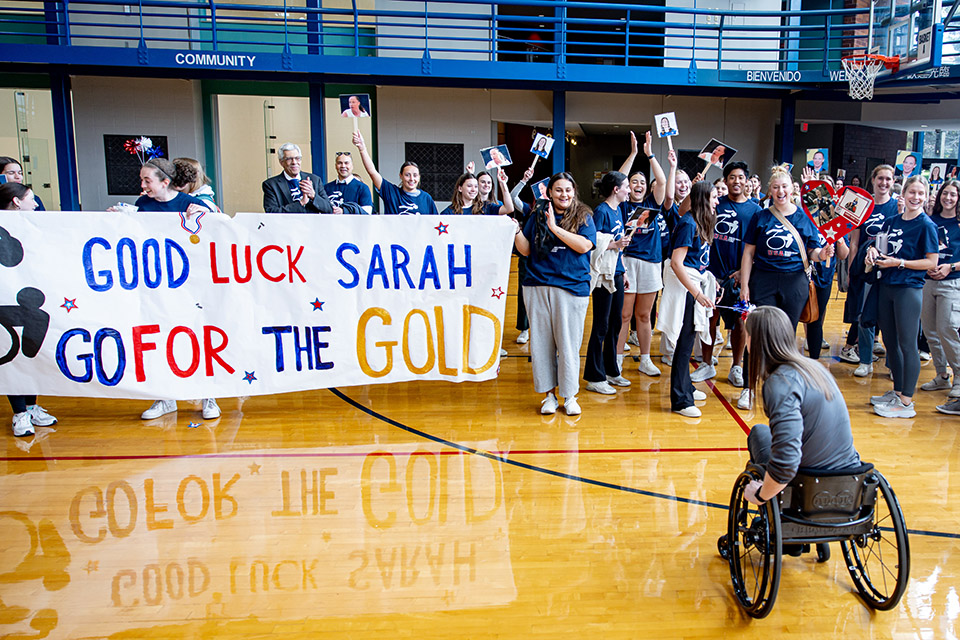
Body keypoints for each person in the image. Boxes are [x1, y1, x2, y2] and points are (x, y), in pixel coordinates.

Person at [739, 306, 861, 509]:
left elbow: (786, 461)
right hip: (849, 477)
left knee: (759, 433)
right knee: (765, 432)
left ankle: (778, 511)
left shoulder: (780, 383)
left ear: (754, 340)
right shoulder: (812, 368)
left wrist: (760, 495)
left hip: (812, 484)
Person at [739, 165, 833, 409]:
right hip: (764, 280)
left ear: (793, 189)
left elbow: (812, 252)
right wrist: (745, 285)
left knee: (786, 337)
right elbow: (748, 253)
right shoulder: (760, 216)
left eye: (784, 187)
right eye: (776, 187)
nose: (780, 191)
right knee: (757, 332)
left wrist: (823, 254)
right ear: (770, 190)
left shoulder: (805, 217)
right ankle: (749, 388)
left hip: (794, 282)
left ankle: (782, 386)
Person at [514, 173, 596, 416]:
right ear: (549, 192)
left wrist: (554, 228)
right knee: (541, 345)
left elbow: (584, 246)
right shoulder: (538, 213)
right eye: (558, 190)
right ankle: (548, 395)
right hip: (537, 285)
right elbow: (526, 250)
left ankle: (569, 396)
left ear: (574, 191)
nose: (564, 195)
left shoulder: (584, 215)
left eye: (568, 190)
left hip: (571, 288)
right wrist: (516, 231)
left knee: (568, 345)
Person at [864, 175, 938, 418]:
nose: (915, 197)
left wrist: (901, 263)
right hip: (887, 286)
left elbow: (931, 261)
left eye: (920, 193)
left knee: (908, 344)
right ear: (903, 194)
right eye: (911, 192)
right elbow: (881, 249)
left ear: (925, 197)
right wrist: (873, 252)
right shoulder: (891, 221)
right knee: (890, 342)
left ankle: (906, 401)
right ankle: (897, 392)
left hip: (909, 289)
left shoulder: (926, 226)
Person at [695, 161, 762, 386]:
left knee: (740, 324)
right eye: (731, 177)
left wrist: (744, 273)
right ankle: (706, 364)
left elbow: (757, 247)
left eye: (740, 177)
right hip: (713, 275)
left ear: (747, 181)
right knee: (709, 320)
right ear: (725, 180)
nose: (736, 181)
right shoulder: (716, 204)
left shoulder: (756, 210)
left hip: (739, 277)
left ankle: (736, 367)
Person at [0, 182, 57, 437]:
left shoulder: (34, 227)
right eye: (31, 199)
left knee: (32, 352)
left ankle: (32, 406)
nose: (35, 204)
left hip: (31, 302)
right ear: (16, 202)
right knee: (12, 357)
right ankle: (19, 413)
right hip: (6, 304)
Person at [659, 180, 716, 417]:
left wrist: (710, 281)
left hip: (694, 285)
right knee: (683, 344)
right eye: (714, 197)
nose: (717, 201)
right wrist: (697, 293)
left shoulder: (701, 222)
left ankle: (687, 387)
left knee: (688, 340)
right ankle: (680, 399)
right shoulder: (688, 223)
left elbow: (698, 262)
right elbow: (676, 263)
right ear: (703, 198)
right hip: (685, 289)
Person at [617, 131, 668, 376]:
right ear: (627, 188)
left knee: (644, 315)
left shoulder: (652, 203)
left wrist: (650, 155)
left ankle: (645, 359)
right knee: (624, 314)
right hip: (626, 261)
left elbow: (662, 180)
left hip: (650, 263)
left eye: (642, 182)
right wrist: (634, 153)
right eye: (633, 182)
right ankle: (616, 359)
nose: (637, 185)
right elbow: (619, 177)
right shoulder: (622, 204)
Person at [840, 164, 899, 376]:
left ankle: (894, 365)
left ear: (893, 182)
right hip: (866, 270)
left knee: (892, 319)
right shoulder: (863, 206)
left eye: (888, 179)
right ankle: (865, 361)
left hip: (891, 270)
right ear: (872, 180)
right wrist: (852, 269)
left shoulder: (897, 207)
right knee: (864, 316)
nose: (884, 182)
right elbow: (854, 242)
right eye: (880, 178)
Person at [584, 171, 631, 394]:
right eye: (627, 186)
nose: (629, 190)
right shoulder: (601, 211)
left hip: (618, 273)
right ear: (616, 189)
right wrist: (614, 244)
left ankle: (612, 370)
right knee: (601, 325)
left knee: (616, 324)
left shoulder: (618, 210)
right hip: (604, 277)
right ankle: (594, 376)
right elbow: (593, 243)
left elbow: (617, 247)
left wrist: (625, 272)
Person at [919, 180, 960, 412]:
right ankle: (941, 375)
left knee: (948, 329)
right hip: (928, 282)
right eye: (946, 193)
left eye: (953, 195)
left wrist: (950, 267)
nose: (948, 198)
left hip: (952, 283)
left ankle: (959, 379)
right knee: (930, 331)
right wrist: (927, 266)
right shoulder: (930, 221)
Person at [801, 174, 850, 361]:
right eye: (821, 190)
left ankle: (813, 359)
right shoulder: (805, 215)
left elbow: (843, 254)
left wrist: (838, 239)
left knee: (816, 319)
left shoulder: (835, 218)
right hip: (803, 274)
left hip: (825, 277)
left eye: (828, 191)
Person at [353, 131, 438, 215]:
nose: (412, 179)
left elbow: (434, 222)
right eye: (407, 175)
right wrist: (362, 149)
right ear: (400, 176)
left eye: (415, 175)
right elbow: (372, 172)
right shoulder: (391, 192)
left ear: (419, 177)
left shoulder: (426, 198)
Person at [262, 143, 333, 214]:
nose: (294, 162)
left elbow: (329, 209)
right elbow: (271, 212)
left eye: (297, 158)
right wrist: (301, 203)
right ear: (281, 162)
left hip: (312, 224)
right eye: (289, 159)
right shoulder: (271, 185)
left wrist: (313, 195)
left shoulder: (315, 180)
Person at [441, 169, 514, 216]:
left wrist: (503, 183)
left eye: (476, 186)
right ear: (460, 188)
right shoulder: (449, 212)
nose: (473, 190)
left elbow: (509, 209)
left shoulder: (485, 207)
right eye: (469, 186)